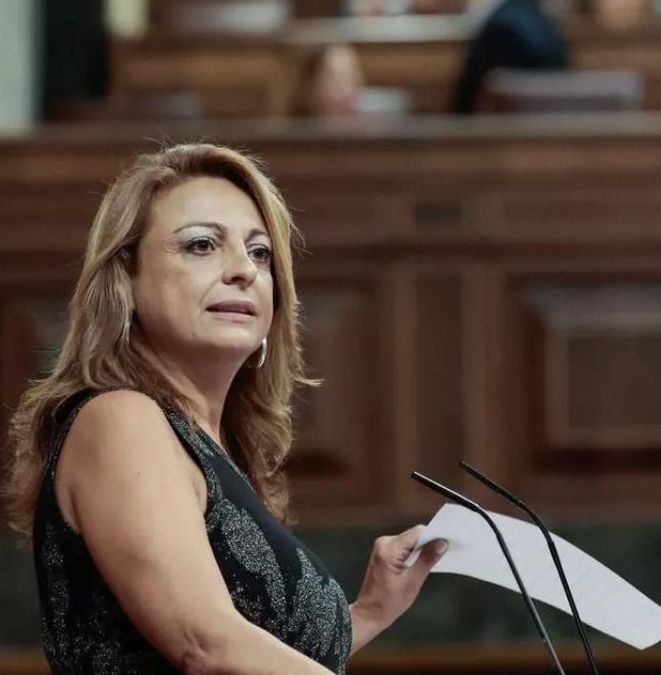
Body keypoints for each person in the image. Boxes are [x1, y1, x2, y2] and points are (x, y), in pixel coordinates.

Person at [1, 143, 445, 673]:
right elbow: (205, 644)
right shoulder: (119, 419)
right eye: (202, 245)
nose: (244, 271)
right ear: (126, 280)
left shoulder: (214, 448)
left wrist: (369, 612)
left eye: (259, 253)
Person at [447, 0, 570, 114]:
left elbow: (471, 98)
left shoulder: (502, 29)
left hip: (511, 129)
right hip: (549, 122)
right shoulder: (535, 14)